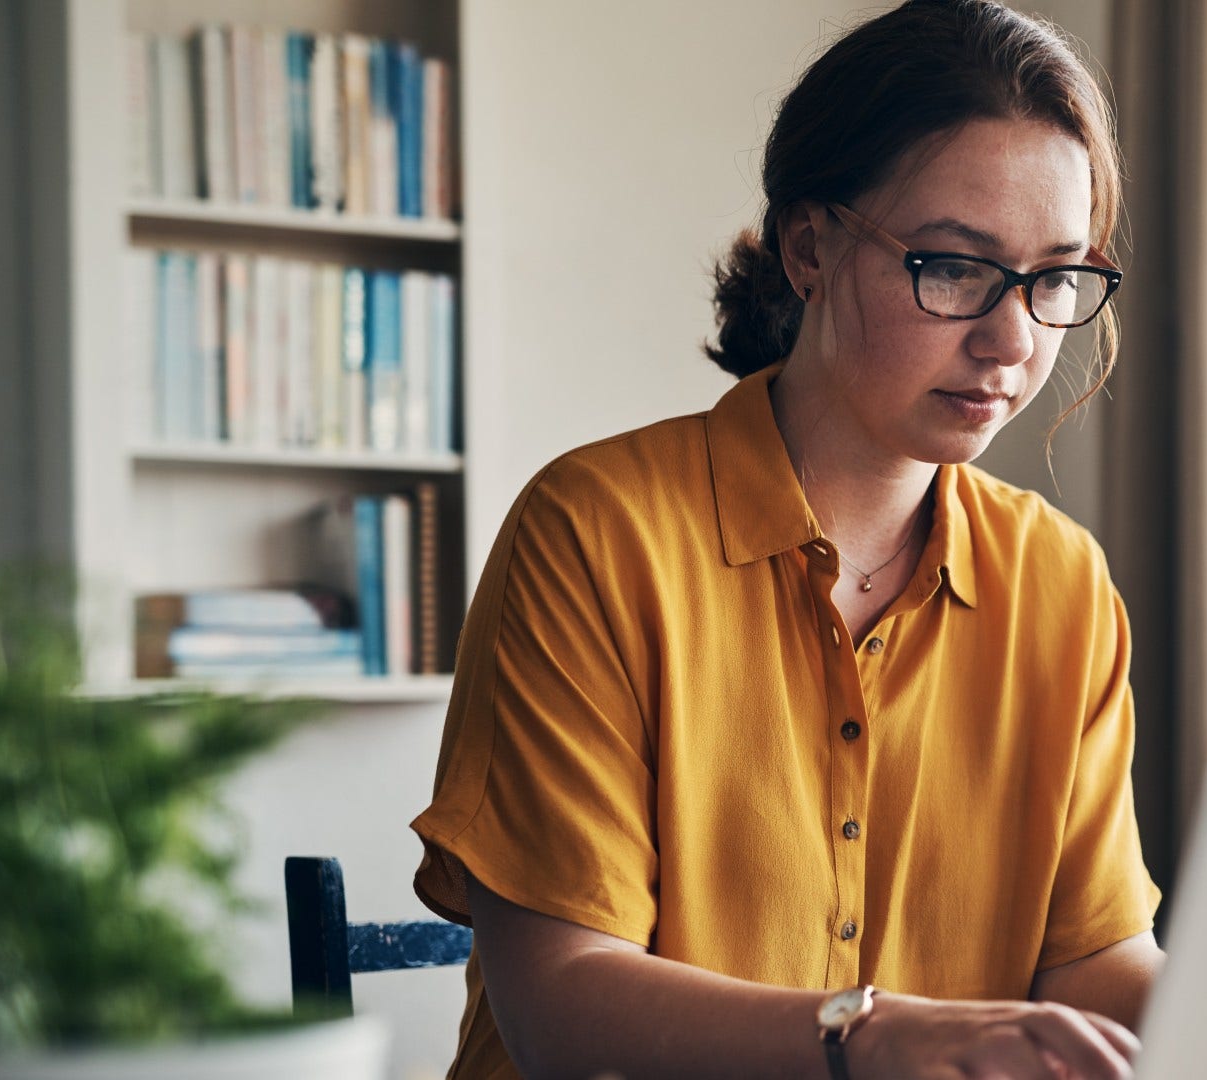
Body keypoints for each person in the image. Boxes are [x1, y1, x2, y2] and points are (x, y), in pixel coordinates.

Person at [408, 2, 1162, 1076]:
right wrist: (875, 1034)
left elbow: (1092, 961)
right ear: (810, 246)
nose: (1013, 339)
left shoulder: (1062, 583)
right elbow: (561, 999)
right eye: (953, 266)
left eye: (1054, 278)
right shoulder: (595, 532)